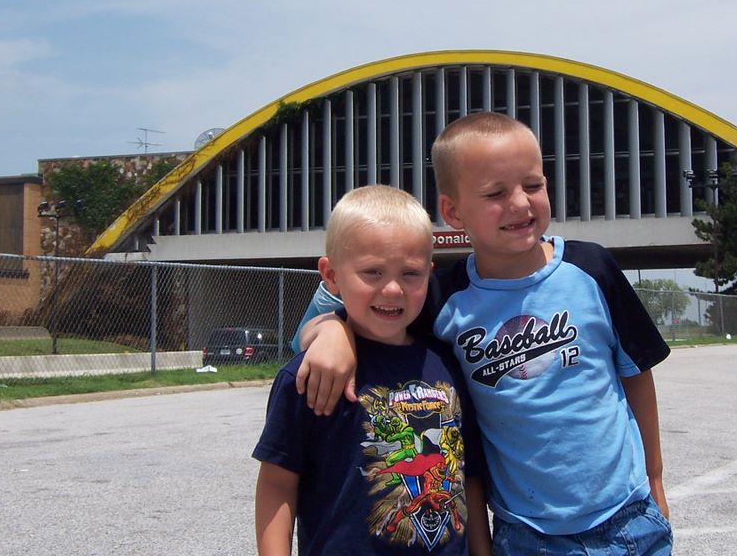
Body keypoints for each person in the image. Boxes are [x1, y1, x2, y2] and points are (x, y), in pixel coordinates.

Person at [296, 112, 673, 555]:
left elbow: (635, 374)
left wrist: (655, 478)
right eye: (496, 193)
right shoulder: (443, 299)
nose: (520, 203)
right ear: (453, 212)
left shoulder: (591, 268)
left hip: (629, 516)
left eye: (533, 185)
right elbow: (326, 328)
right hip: (527, 535)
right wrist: (332, 330)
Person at [253, 185, 491, 556]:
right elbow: (278, 483)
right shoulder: (309, 374)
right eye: (372, 272)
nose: (393, 289)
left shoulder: (449, 363)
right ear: (331, 275)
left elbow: (468, 475)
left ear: (428, 275)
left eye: (410, 274)